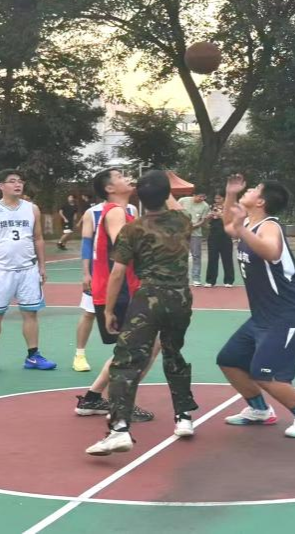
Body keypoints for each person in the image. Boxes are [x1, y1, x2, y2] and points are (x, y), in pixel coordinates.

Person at [86, 170, 198, 456]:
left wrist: (109, 310)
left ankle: (119, 429)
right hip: (180, 298)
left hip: (148, 298)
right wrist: (166, 187)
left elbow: (117, 273)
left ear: (140, 197)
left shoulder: (132, 229)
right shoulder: (183, 220)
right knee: (174, 354)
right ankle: (183, 417)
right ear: (167, 194)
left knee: (126, 362)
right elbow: (175, 206)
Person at [216, 174, 295, 439]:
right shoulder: (249, 225)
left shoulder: (270, 226)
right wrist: (231, 194)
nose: (249, 189)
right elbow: (229, 225)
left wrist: (241, 228)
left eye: (254, 189)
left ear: (261, 202)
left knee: (266, 375)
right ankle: (259, 410)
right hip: (262, 316)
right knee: (229, 360)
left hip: (288, 314)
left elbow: (272, 252)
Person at [74, 169, 155, 422]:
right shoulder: (116, 212)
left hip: (121, 289)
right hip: (120, 291)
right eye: (120, 176)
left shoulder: (125, 211)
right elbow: (125, 248)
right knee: (142, 347)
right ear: (109, 188)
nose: (127, 177)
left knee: (134, 348)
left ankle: (93, 397)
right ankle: (121, 402)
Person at [0, 169, 56, 374]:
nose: (18, 184)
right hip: (1, 271)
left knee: (30, 313)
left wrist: (42, 267)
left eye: (20, 181)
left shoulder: (32, 209)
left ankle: (33, 356)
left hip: (28, 270)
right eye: (12, 181)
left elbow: (38, 238)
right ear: (1, 186)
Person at [69, 196, 137, 373]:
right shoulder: (92, 212)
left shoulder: (131, 209)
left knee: (129, 314)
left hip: (124, 273)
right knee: (89, 312)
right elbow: (87, 244)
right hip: (100, 273)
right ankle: (79, 355)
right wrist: (86, 273)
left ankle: (124, 356)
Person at [178, 191, 210, 286]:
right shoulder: (183, 200)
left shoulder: (205, 206)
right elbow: (175, 213)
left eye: (203, 197)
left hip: (196, 233)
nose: (202, 199)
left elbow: (203, 221)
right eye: (200, 197)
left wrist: (193, 226)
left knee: (196, 255)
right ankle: (181, 277)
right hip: (182, 233)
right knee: (181, 255)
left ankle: (196, 278)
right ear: (194, 195)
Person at [204, 191, 235, 288]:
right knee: (212, 258)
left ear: (224, 198)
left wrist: (221, 215)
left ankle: (229, 280)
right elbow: (206, 222)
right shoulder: (211, 207)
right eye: (215, 198)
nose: (217, 200)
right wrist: (208, 217)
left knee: (227, 258)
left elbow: (232, 221)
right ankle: (210, 280)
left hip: (226, 236)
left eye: (219, 198)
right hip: (213, 236)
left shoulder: (229, 208)